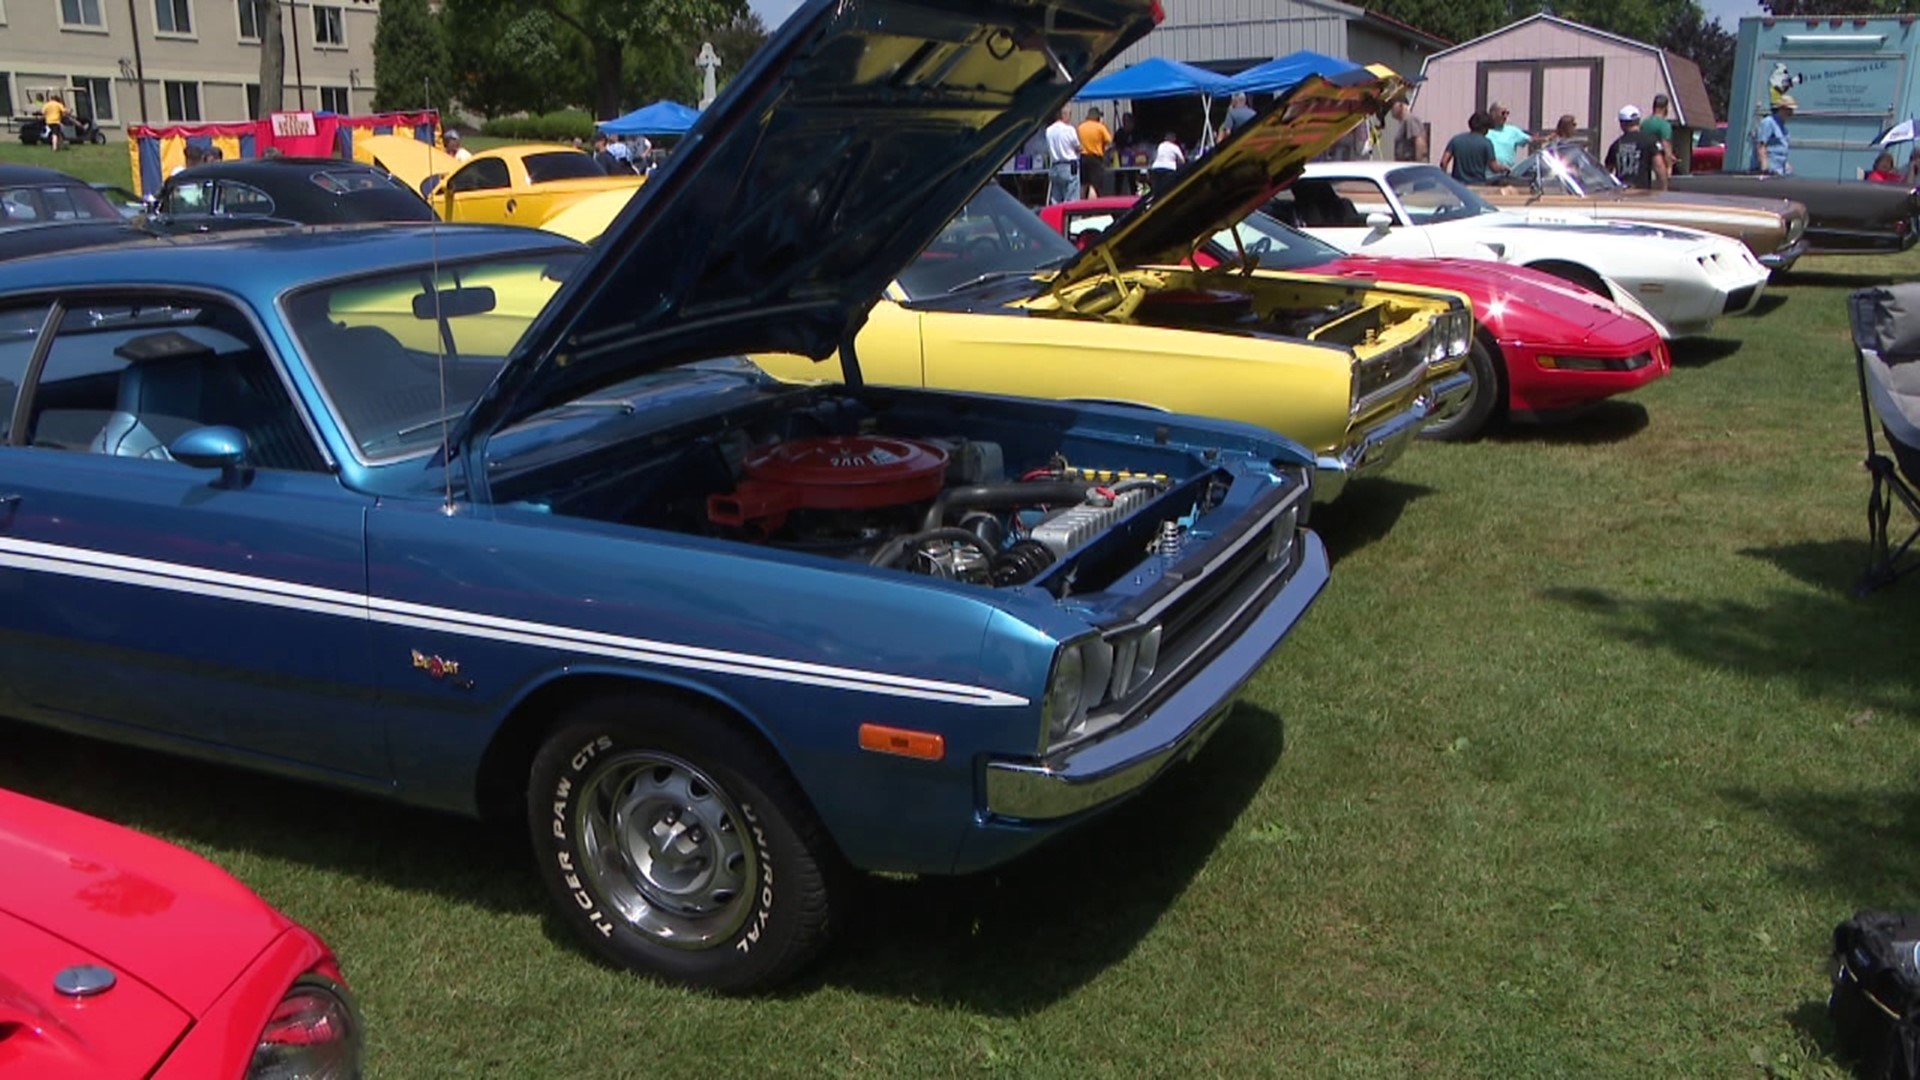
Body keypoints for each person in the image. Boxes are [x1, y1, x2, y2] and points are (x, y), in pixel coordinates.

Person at [1604, 104, 1668, 190]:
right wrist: (1663, 189)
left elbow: (1607, 173)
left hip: (1621, 194)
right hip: (1643, 194)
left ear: (1622, 123)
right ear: (1638, 121)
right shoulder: (1650, 141)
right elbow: (1659, 166)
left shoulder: (1616, 145)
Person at [1440, 111, 1504, 185]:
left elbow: (1443, 162)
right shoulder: (1486, 143)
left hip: (1458, 185)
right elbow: (1494, 168)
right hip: (1478, 185)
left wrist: (1445, 180)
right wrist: (1503, 168)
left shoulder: (1456, 140)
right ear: (1485, 128)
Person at [1044, 106, 1081, 205]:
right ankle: (1072, 219)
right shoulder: (1069, 129)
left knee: (1056, 197)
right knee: (1072, 197)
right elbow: (1077, 146)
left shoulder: (1048, 130)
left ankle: (1055, 218)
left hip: (1055, 165)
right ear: (1064, 115)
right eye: (1069, 114)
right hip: (1069, 165)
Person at [1752, 94, 1794, 175]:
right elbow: (1761, 146)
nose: (1791, 113)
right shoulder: (1768, 122)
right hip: (1770, 171)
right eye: (1789, 109)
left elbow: (1781, 150)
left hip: (1780, 171)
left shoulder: (1784, 128)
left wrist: (1786, 165)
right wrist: (1764, 169)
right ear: (1781, 109)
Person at [1077, 106, 1113, 198]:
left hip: (1083, 157)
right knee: (1094, 185)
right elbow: (1109, 140)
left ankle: (1080, 205)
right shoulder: (1100, 127)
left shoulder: (1081, 127)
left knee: (1083, 184)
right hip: (1095, 158)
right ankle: (1091, 206)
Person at [1378, 98, 1428, 162]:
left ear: (1401, 105)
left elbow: (1419, 141)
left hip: (1409, 166)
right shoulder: (1404, 122)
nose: (1391, 110)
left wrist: (1417, 165)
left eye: (1392, 106)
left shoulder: (1410, 120)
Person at [1483, 102, 1531, 168]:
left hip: (1507, 174)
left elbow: (1530, 139)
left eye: (1507, 113)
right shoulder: (1484, 131)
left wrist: (1546, 138)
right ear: (1493, 114)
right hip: (1488, 175)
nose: (1505, 116)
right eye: (1503, 113)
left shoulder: (1512, 131)